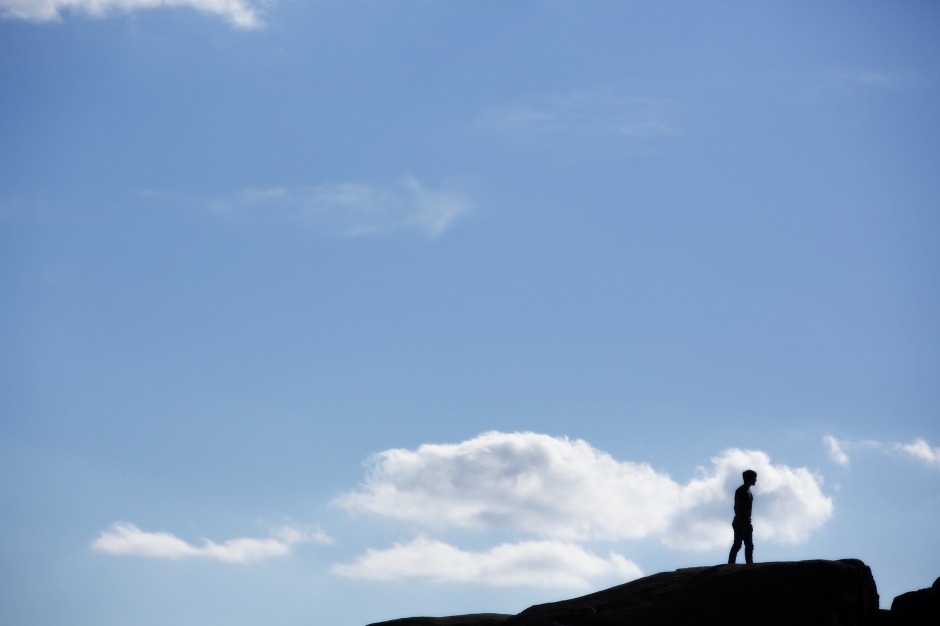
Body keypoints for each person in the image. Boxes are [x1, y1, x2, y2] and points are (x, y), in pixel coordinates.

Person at [728, 469, 757, 564]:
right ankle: (730, 564)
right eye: (754, 478)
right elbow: (736, 507)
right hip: (740, 521)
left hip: (747, 521)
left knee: (749, 545)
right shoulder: (741, 491)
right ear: (750, 479)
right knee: (737, 544)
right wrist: (740, 521)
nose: (756, 480)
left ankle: (749, 564)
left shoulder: (748, 491)